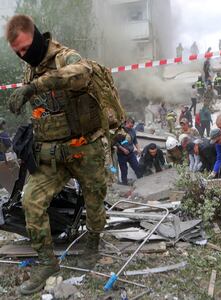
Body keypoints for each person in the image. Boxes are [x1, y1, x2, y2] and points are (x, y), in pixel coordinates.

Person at [5, 14, 114, 294]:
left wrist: (34, 87)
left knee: (94, 201)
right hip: (53, 154)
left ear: (38, 37)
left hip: (85, 148)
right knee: (31, 199)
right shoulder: (30, 70)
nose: (23, 56)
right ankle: (47, 262)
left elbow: (81, 74)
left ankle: (93, 239)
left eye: (26, 49)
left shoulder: (66, 57)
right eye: (17, 53)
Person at [116, 118, 142, 185]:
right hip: (121, 154)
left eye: (132, 126)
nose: (131, 127)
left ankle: (141, 180)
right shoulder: (119, 131)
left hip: (131, 153)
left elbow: (135, 141)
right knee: (124, 170)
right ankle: (124, 183)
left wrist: (138, 149)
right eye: (130, 126)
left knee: (136, 167)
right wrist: (123, 149)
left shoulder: (132, 131)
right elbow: (116, 143)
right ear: (126, 123)